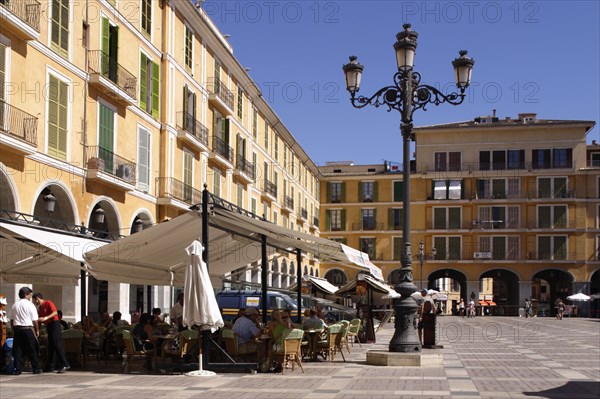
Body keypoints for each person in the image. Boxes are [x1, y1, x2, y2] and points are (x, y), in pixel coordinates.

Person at [32, 293, 70, 373]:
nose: (34, 302)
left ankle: (65, 364)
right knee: (51, 346)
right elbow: (40, 319)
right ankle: (50, 365)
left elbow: (55, 313)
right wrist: (37, 329)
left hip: (55, 324)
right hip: (48, 325)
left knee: (57, 344)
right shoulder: (40, 308)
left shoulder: (48, 303)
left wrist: (46, 317)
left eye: (34, 300)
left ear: (37, 299)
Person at [8, 287, 42, 375]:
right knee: (32, 349)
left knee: (18, 350)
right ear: (26, 294)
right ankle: (36, 368)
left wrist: (13, 330)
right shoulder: (30, 305)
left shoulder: (15, 305)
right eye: (30, 294)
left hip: (17, 329)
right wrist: (37, 330)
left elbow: (11, 319)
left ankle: (18, 369)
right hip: (28, 329)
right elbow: (35, 320)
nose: (31, 296)